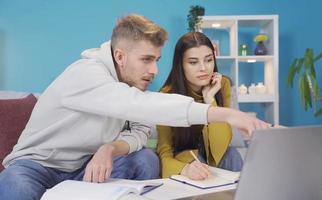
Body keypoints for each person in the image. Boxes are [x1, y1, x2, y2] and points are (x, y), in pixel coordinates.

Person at [0, 14, 270, 200]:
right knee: (16, 183)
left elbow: (140, 129)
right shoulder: (86, 74)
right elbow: (137, 105)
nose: (154, 70)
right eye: (146, 59)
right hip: (37, 165)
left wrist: (110, 148)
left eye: (157, 59)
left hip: (85, 167)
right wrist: (227, 113)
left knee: (144, 159)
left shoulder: (134, 83)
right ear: (120, 56)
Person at [157, 32, 243, 180]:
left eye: (208, 60)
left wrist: (210, 100)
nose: (203, 68)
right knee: (199, 164)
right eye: (193, 62)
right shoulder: (167, 95)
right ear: (181, 65)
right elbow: (165, 153)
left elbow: (221, 145)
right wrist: (184, 169)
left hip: (215, 153)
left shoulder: (222, 84)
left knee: (232, 155)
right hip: (186, 157)